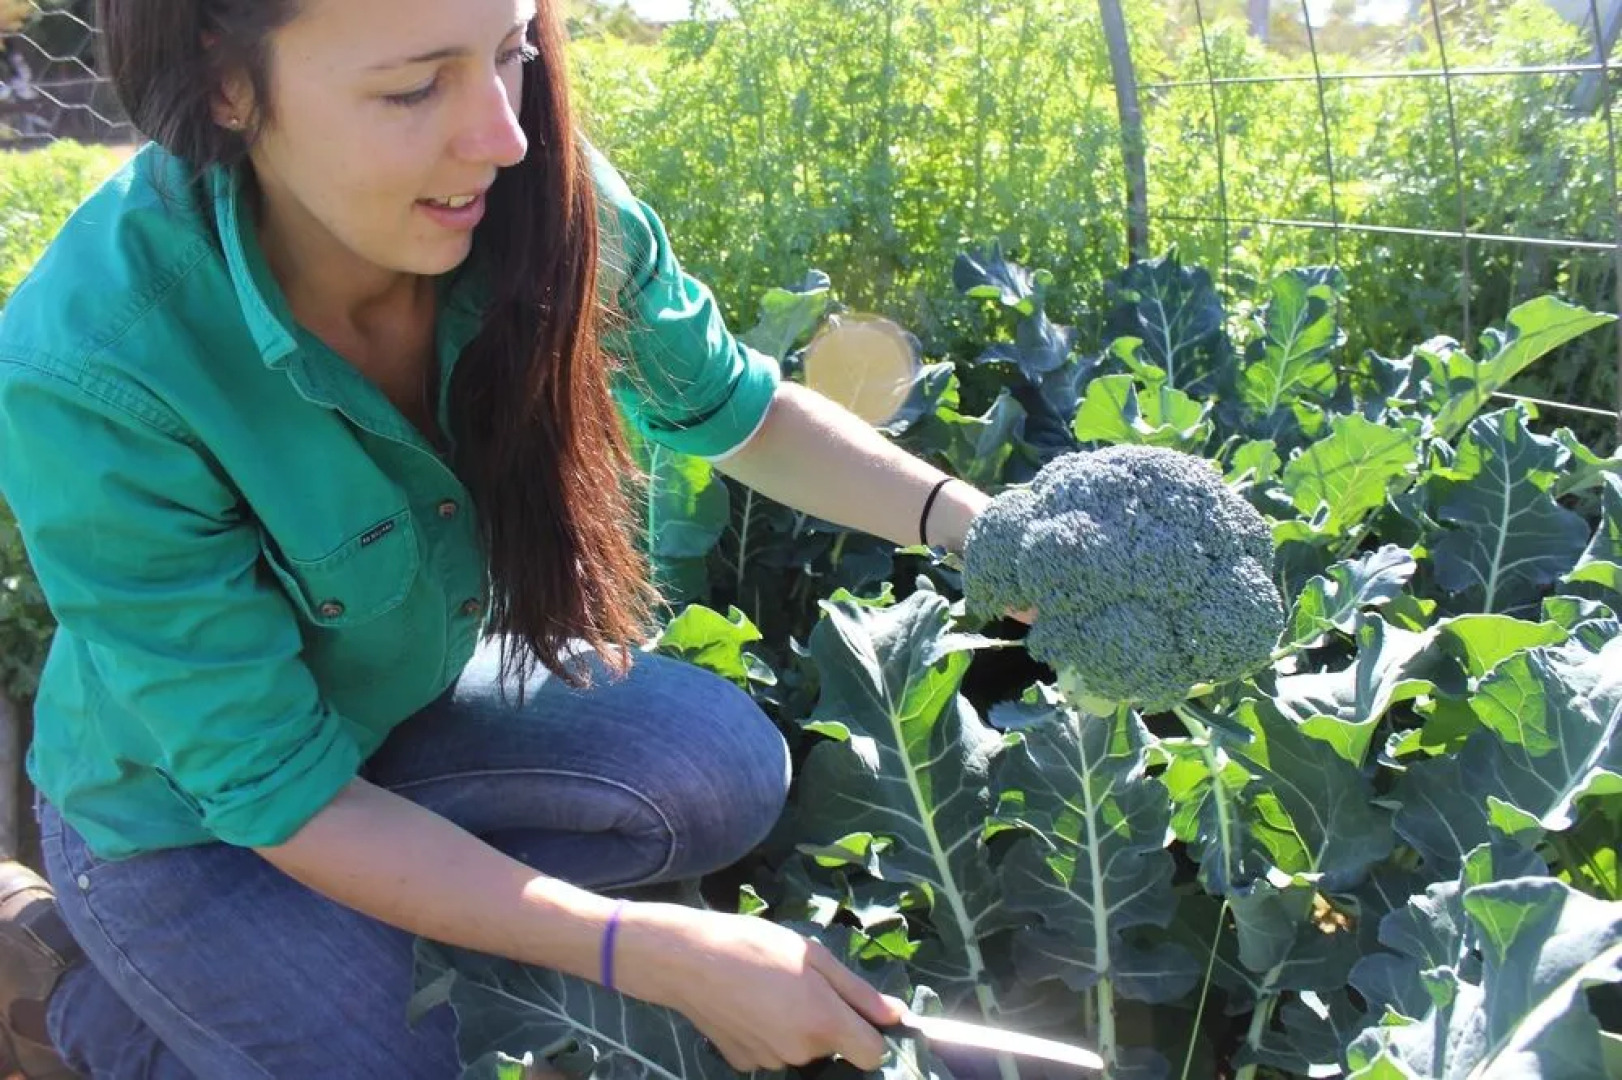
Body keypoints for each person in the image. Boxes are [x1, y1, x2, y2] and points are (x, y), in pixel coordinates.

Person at [0, 0, 1000, 1076]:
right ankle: (67, 985)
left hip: (395, 715)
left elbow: (733, 409)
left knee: (718, 771)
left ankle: (335, 956)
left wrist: (981, 531)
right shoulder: (92, 367)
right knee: (425, 1060)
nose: (503, 135)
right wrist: (647, 952)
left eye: (511, 51)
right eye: (413, 86)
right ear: (228, 88)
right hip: (192, 821)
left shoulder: (526, 195)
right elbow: (280, 793)